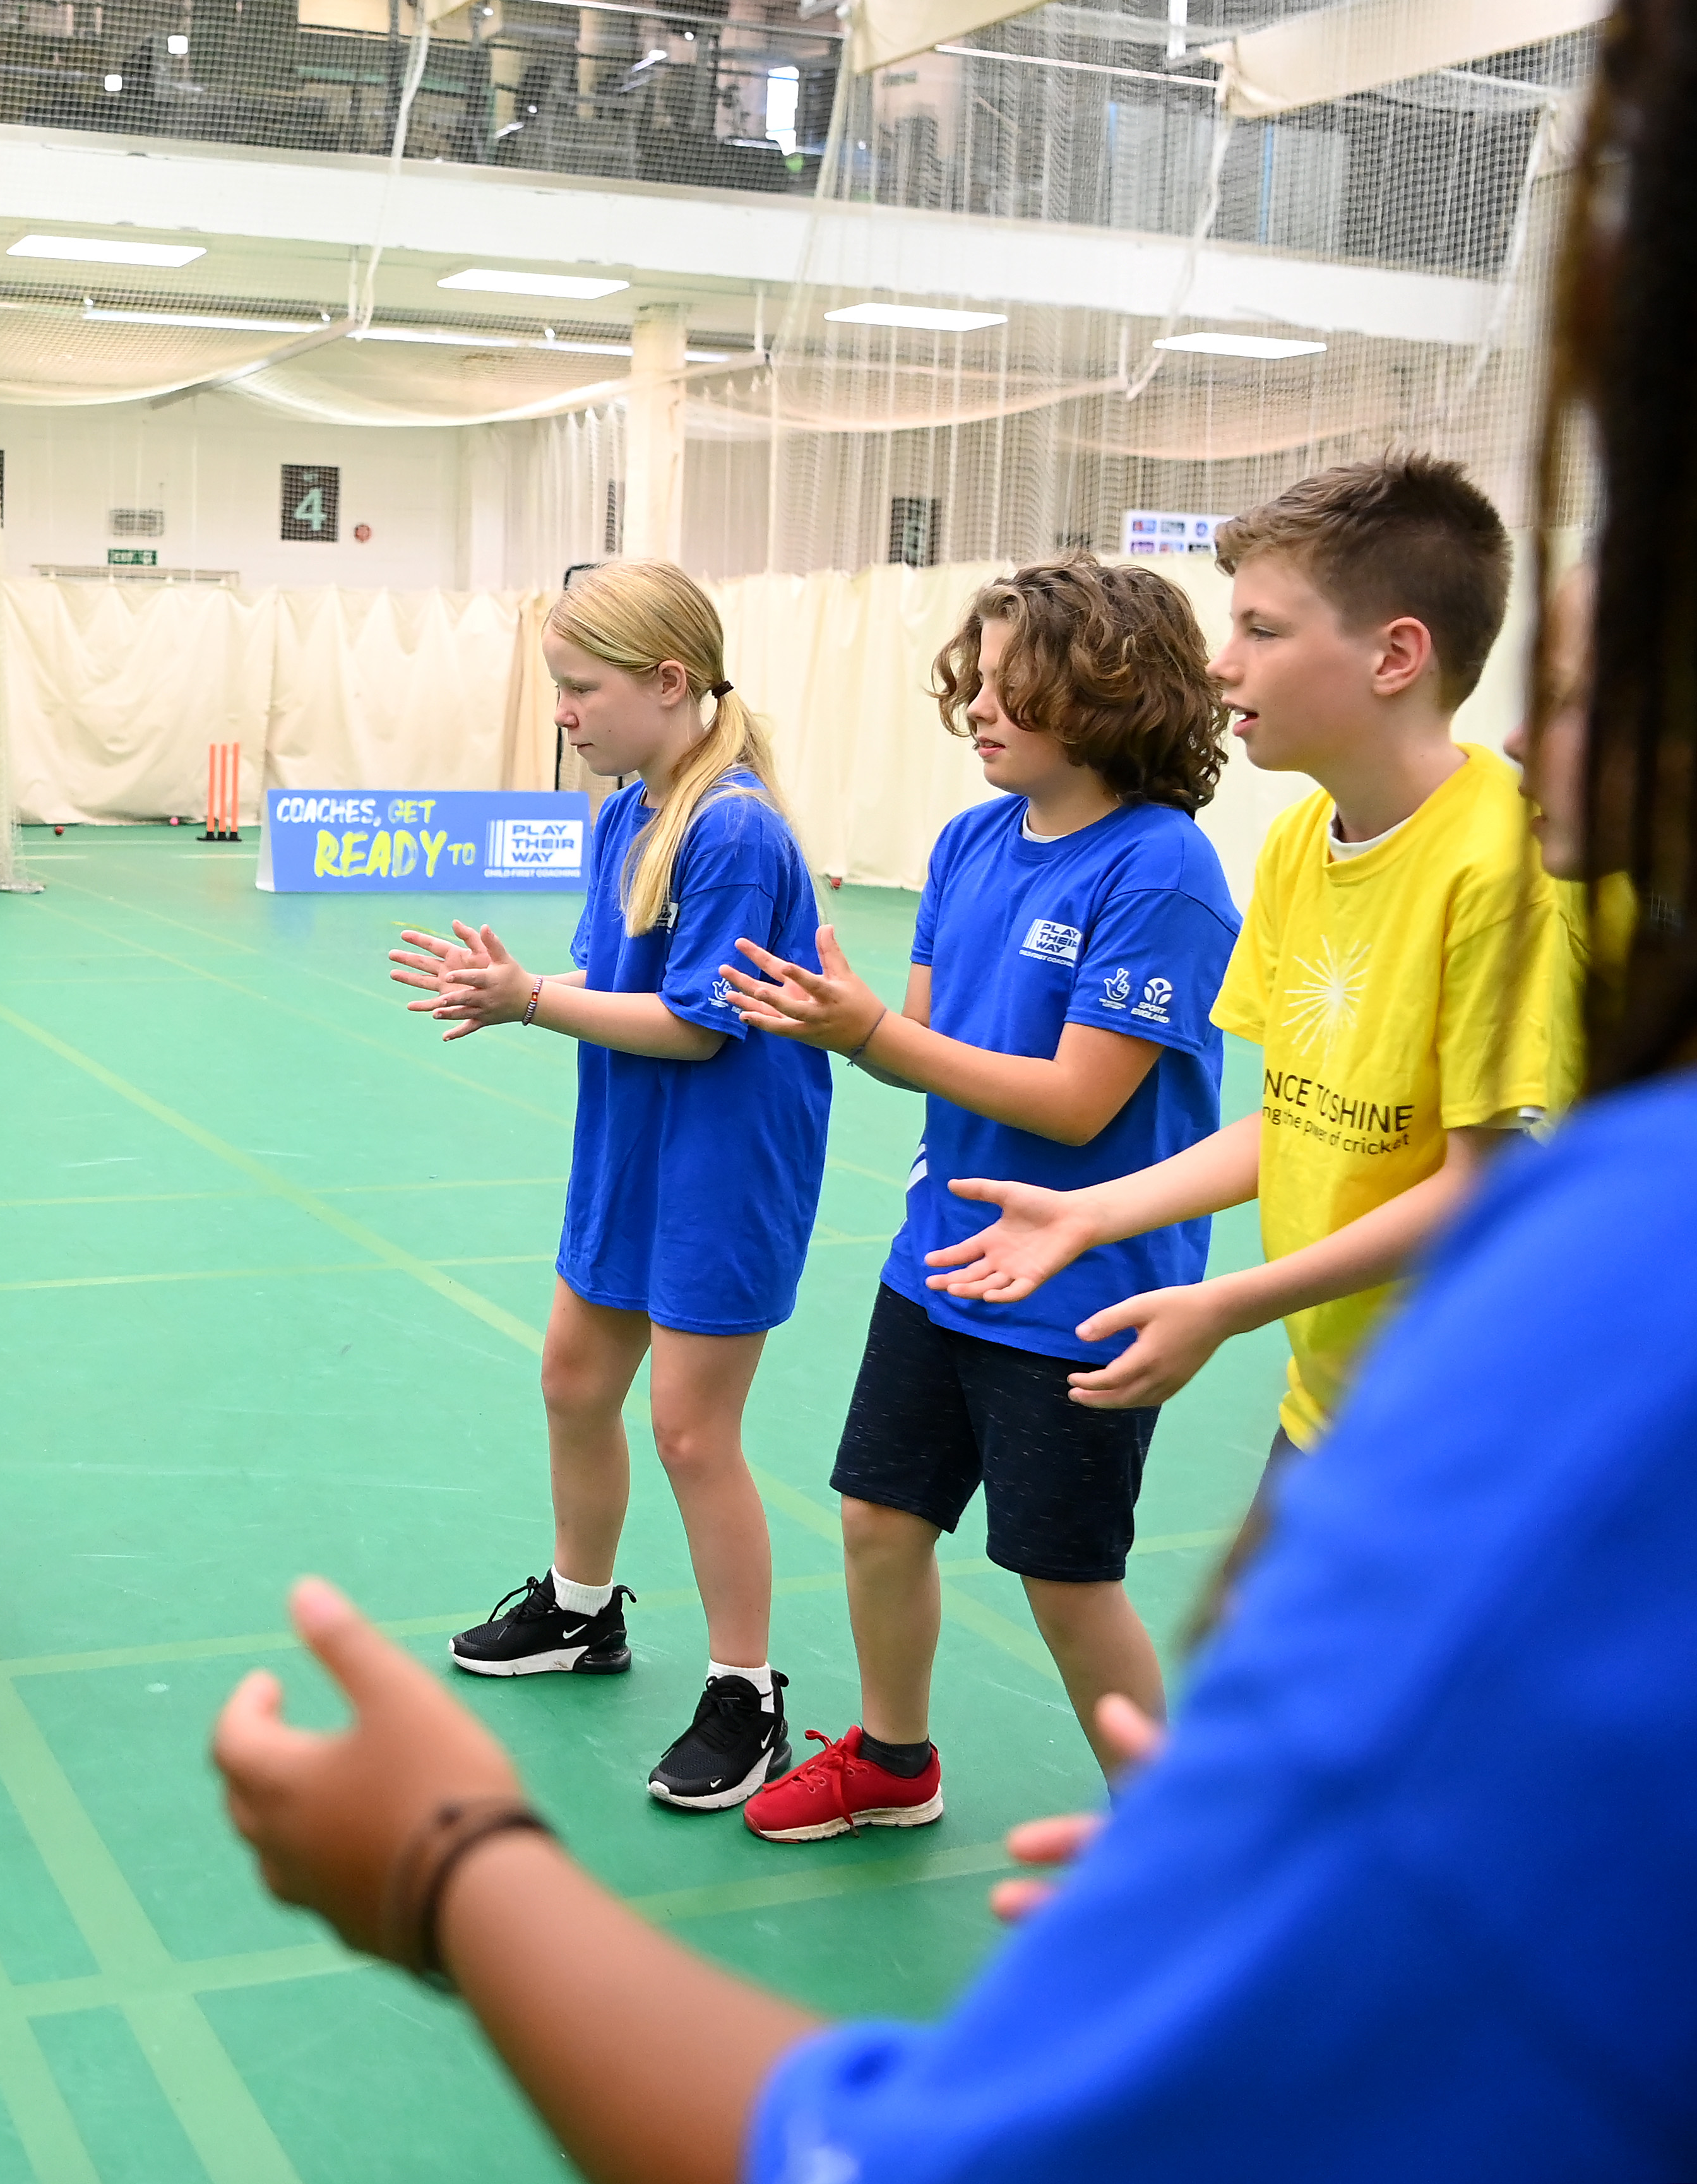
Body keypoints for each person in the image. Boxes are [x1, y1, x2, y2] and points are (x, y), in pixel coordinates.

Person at [211, 3, 1694, 2163]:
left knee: (1037, 1569)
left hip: (1142, 1305)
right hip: (1008, 1265)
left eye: (1259, 628)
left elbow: (1106, 1093)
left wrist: (451, 1872)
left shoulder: (1553, 1222)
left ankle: (939, 1755)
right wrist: (1114, 1221)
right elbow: (1260, 1108)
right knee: (869, 1511)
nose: (1546, 736)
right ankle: (932, 1764)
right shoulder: (1216, 855)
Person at [917, 455, 1581, 1507]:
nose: (1223, 666)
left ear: (1395, 656)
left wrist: (1231, 1301)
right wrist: (1094, 1214)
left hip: (1475, 1417)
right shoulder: (1295, 841)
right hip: (1334, 1397)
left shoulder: (1504, 862)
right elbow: (1295, 1120)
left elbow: (1479, 1180)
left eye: (1262, 632)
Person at [715, 558, 1237, 1837]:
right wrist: (836, 1017)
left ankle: (1176, 1841)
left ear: (1110, 697)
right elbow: (936, 1037)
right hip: (939, 1256)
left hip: (1081, 1288)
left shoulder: (1161, 870)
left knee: (1066, 1576)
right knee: (881, 1519)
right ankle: (893, 1760)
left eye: (1018, 688)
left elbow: (1073, 1100)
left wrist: (869, 1033)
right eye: (978, 682)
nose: (981, 709)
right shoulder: (967, 841)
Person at [389, 560, 831, 1812]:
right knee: (576, 1378)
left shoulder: (733, 827)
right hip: (632, 1140)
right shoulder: (629, 808)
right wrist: (536, 994)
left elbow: (698, 1026)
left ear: (669, 681)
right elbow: (624, 996)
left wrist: (525, 998)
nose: (565, 713)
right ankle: (583, 1611)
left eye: (581, 689)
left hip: (726, 1159)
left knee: (692, 1430)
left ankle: (747, 1692)